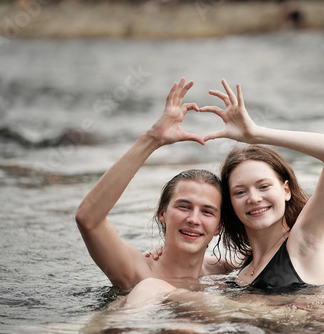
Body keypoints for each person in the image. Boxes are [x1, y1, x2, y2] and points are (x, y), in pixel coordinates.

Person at [75, 78, 228, 298]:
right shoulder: (137, 271)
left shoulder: (223, 270)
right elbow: (88, 219)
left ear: (219, 227)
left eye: (207, 211)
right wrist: (151, 140)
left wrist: (253, 135)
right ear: (163, 214)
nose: (194, 219)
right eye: (184, 206)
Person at [198, 79, 324, 291]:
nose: (253, 198)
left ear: (286, 190)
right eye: (240, 192)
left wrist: (255, 135)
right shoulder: (242, 266)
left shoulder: (303, 244)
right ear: (231, 205)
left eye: (263, 186)